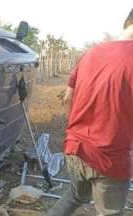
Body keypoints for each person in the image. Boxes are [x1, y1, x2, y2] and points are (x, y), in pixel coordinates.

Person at [46, 9, 133, 216]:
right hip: (109, 157)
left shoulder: (92, 52)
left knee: (75, 196)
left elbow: (68, 98)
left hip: (75, 148)